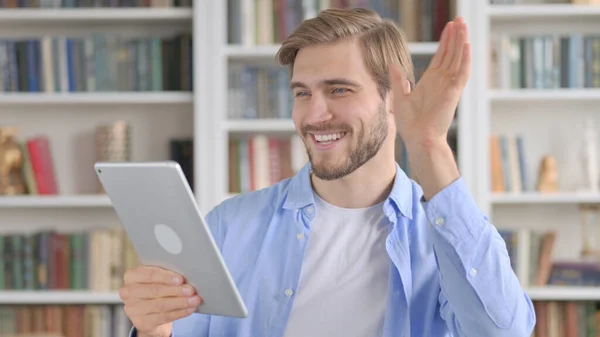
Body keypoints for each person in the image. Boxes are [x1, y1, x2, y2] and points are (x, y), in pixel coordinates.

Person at [120, 8, 536, 337]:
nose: (314, 115)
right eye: (302, 93)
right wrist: (153, 330)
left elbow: (503, 331)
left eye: (339, 89)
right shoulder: (229, 227)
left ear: (394, 98)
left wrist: (429, 147)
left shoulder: (444, 237)